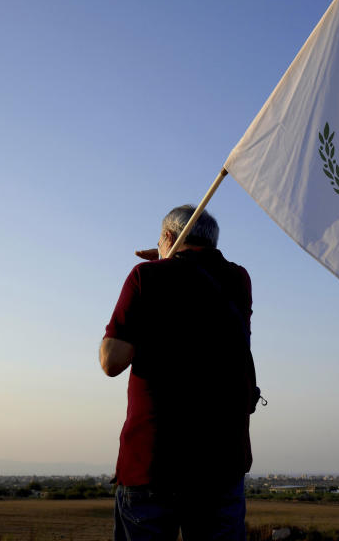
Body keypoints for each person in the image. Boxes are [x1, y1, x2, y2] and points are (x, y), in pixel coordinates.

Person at [100, 205, 255, 541]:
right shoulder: (239, 281)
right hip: (222, 463)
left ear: (168, 237)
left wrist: (155, 267)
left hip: (154, 463)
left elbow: (111, 361)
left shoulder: (145, 277)